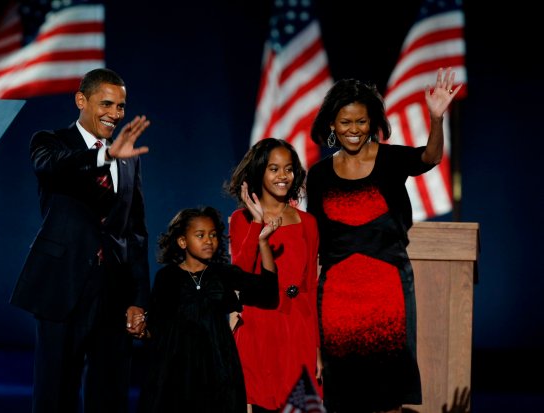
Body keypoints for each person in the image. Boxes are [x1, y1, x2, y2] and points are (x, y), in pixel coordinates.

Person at [305, 67, 463, 413]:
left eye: (361, 122)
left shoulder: (391, 159)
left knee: (387, 395)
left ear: (372, 122)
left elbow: (430, 158)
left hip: (387, 291)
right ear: (332, 124)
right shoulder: (317, 176)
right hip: (337, 297)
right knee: (343, 395)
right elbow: (314, 239)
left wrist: (436, 118)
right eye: (345, 122)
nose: (353, 130)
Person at [10, 67, 152, 413]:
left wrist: (137, 299)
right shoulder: (50, 142)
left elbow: (135, 231)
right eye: (106, 104)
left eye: (120, 107)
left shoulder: (128, 159)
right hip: (62, 286)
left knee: (110, 394)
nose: (115, 114)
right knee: (56, 394)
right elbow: (53, 166)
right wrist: (105, 156)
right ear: (81, 100)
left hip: (113, 291)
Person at [136, 206, 280, 413]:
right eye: (200, 235)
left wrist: (263, 243)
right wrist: (143, 330)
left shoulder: (224, 274)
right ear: (182, 241)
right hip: (176, 369)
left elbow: (268, 290)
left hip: (218, 366)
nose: (208, 240)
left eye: (213, 235)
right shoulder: (166, 277)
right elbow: (158, 325)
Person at [227, 138, 322, 412]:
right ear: (259, 172)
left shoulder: (308, 223)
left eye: (289, 169)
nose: (283, 176)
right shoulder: (240, 219)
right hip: (261, 327)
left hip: (298, 328)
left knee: (301, 405)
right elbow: (241, 274)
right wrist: (257, 223)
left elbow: (311, 287)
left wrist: (316, 349)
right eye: (274, 168)